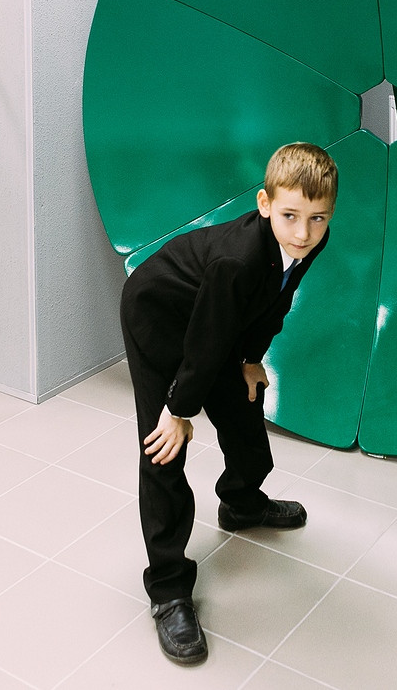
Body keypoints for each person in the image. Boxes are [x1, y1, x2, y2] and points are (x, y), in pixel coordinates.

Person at [120, 142, 338, 665]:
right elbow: (204, 341)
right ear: (265, 203)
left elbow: (277, 298)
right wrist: (178, 411)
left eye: (317, 218)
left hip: (215, 322)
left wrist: (251, 359)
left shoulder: (308, 240)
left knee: (244, 410)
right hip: (159, 315)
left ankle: (241, 502)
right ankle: (168, 589)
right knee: (163, 448)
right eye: (290, 216)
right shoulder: (237, 260)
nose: (303, 233)